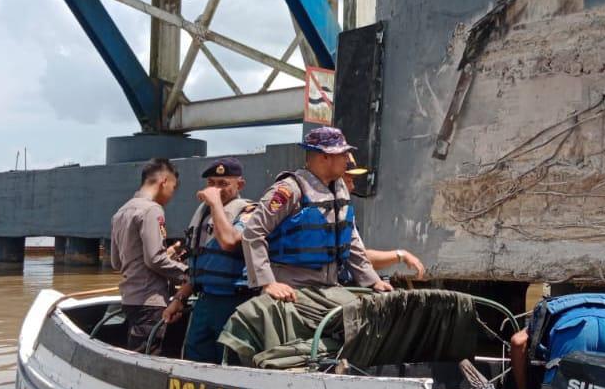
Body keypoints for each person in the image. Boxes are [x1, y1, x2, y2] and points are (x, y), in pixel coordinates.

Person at [241, 127, 393, 302]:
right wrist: (268, 283)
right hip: (292, 289)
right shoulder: (289, 189)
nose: (347, 159)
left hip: (329, 288)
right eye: (343, 153)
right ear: (325, 156)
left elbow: (349, 239)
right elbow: (253, 232)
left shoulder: (340, 189)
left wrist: (373, 281)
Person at [165, 157, 257, 363]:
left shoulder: (249, 212)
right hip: (205, 302)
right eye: (212, 184)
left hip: (234, 303)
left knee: (230, 361)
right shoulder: (204, 214)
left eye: (223, 184)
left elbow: (229, 241)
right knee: (194, 359)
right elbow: (199, 266)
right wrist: (179, 299)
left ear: (239, 185)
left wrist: (215, 203)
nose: (216, 189)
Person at [110, 158, 188, 355]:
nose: (172, 194)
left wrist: (168, 254)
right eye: (173, 187)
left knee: (135, 353)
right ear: (164, 181)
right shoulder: (152, 210)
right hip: (150, 300)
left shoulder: (121, 212)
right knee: (148, 359)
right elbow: (154, 259)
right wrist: (189, 274)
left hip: (130, 299)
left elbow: (117, 261)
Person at [341, 153, 426, 280]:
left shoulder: (343, 211)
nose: (352, 187)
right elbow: (361, 258)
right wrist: (400, 255)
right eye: (348, 181)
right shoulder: (329, 212)